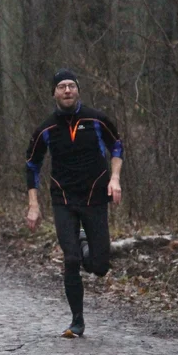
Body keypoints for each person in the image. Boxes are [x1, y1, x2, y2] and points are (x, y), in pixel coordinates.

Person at [24, 69, 123, 338]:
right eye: (61, 87)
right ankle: (77, 321)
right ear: (54, 93)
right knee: (70, 260)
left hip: (95, 196)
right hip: (64, 199)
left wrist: (115, 179)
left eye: (71, 86)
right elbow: (32, 166)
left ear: (78, 90)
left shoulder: (97, 119)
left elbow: (117, 147)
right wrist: (33, 204)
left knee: (99, 267)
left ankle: (83, 243)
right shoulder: (46, 129)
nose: (67, 90)